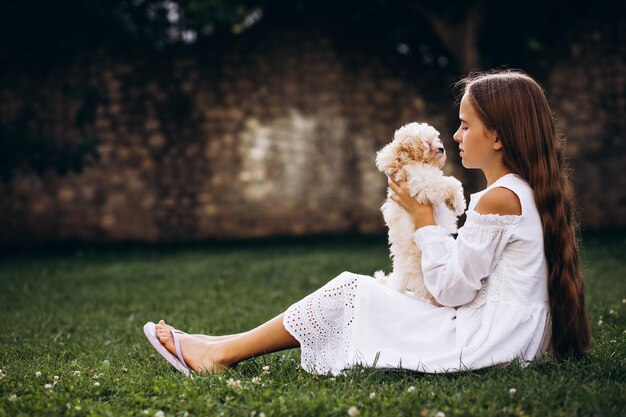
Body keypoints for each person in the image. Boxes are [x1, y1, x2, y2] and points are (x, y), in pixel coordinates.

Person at [143, 69, 591, 376]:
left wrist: (422, 220)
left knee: (352, 288)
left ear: (496, 136)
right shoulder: (523, 191)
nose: (455, 136)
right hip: (504, 334)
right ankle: (223, 342)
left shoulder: (498, 198)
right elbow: (466, 281)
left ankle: (219, 353)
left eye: (464, 126)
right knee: (363, 289)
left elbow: (452, 291)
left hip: (488, 343)